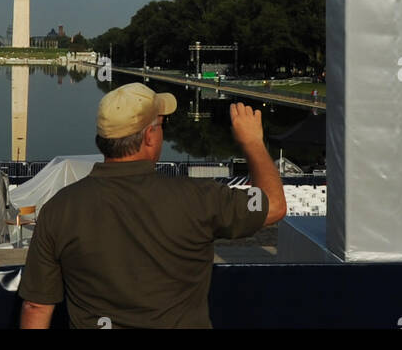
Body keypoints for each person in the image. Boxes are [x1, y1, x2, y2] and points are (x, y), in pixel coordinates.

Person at [18, 83, 287, 328]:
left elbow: (36, 306)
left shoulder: (59, 208)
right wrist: (252, 143)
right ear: (149, 136)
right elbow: (273, 205)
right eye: (161, 125)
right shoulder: (199, 198)